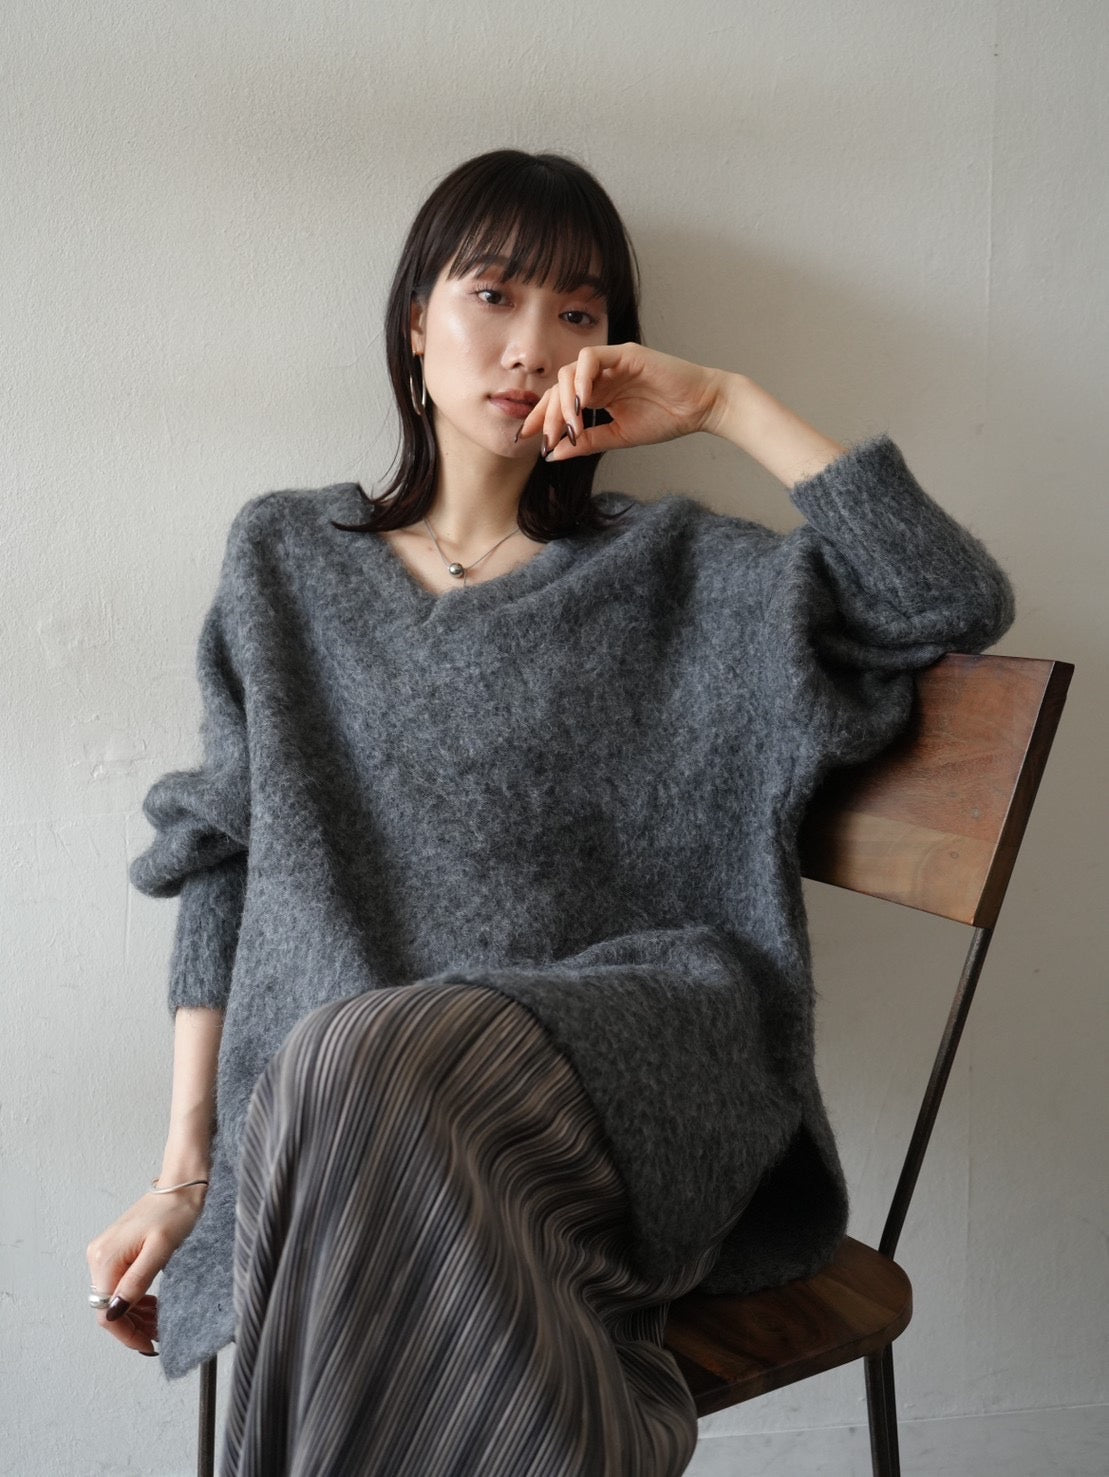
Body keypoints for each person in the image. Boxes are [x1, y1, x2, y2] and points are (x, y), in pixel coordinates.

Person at [86, 148, 1015, 1475]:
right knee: (351, 1068)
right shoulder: (286, 560)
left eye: (578, 311)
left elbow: (948, 602)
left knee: (360, 1061)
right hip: (350, 1110)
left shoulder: (674, 569)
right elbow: (222, 857)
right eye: (493, 294)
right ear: (415, 323)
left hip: (623, 1062)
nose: (533, 345)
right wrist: (186, 1172)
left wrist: (726, 403)